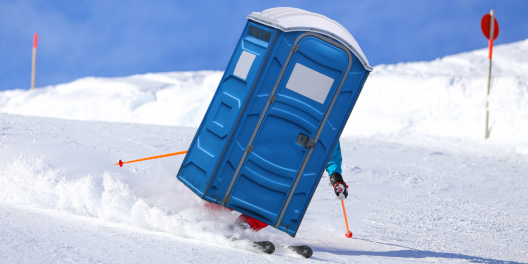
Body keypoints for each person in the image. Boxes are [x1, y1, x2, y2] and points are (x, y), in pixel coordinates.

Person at [207, 141, 348, 231]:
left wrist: (336, 178)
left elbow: (332, 159)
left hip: (293, 174)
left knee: (278, 204)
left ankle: (243, 226)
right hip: (268, 160)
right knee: (245, 189)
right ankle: (206, 212)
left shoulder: (331, 127)